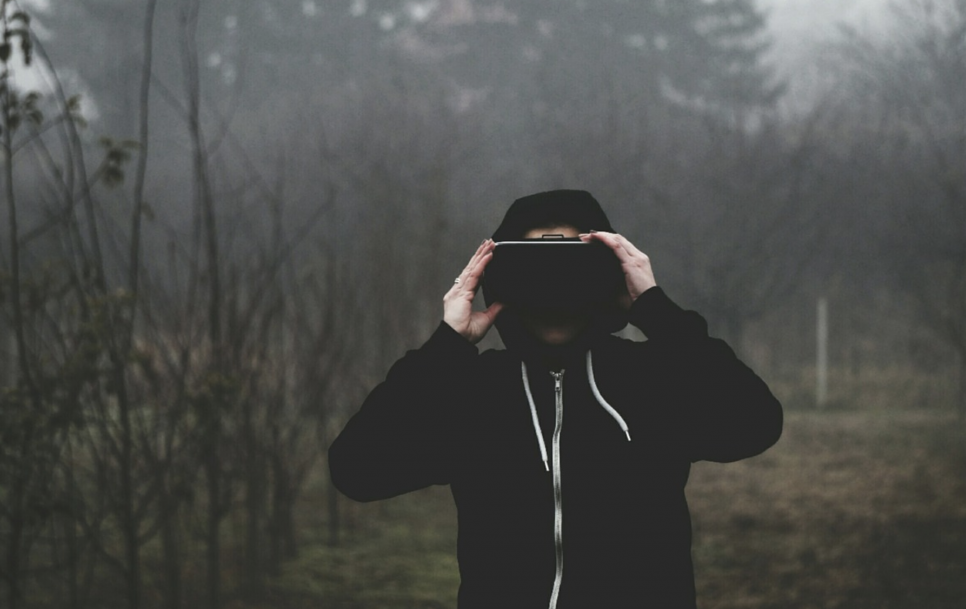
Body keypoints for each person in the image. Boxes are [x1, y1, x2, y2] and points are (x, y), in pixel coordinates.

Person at [329, 189, 783, 608]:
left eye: (572, 269)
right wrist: (448, 345)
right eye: (535, 270)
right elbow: (357, 470)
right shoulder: (475, 394)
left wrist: (655, 308)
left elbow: (757, 422)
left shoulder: (651, 380)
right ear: (505, 279)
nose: (554, 287)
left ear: (604, 277)